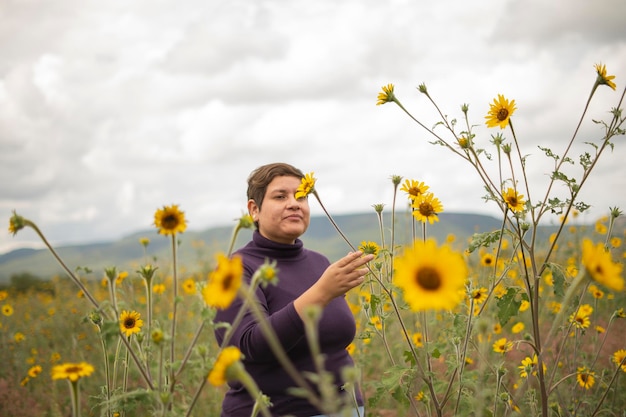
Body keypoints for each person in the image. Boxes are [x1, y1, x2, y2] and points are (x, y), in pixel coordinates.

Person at [214, 162, 373, 417]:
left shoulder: (320, 262)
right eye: (280, 196)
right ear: (254, 210)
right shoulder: (235, 269)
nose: (294, 203)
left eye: (301, 196)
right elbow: (249, 345)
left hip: (346, 408)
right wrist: (321, 292)